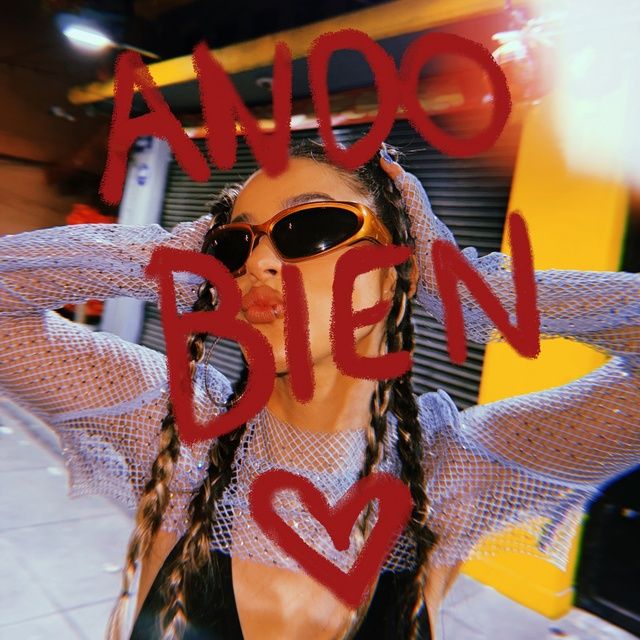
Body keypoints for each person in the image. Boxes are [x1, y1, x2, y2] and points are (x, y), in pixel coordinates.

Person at [0, 140, 638, 640]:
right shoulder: (174, 427)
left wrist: (470, 291)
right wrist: (174, 257)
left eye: (309, 229)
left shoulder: (452, 477)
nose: (258, 263)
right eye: (234, 244)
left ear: (397, 271)